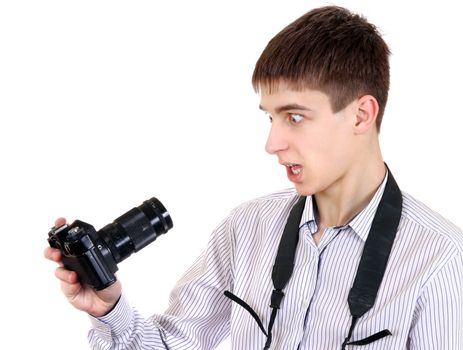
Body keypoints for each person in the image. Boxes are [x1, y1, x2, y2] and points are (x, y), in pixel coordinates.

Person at [44, 5, 463, 349]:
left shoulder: (440, 259)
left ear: (361, 114)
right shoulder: (246, 229)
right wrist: (108, 307)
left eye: (295, 117)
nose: (272, 142)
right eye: (270, 117)